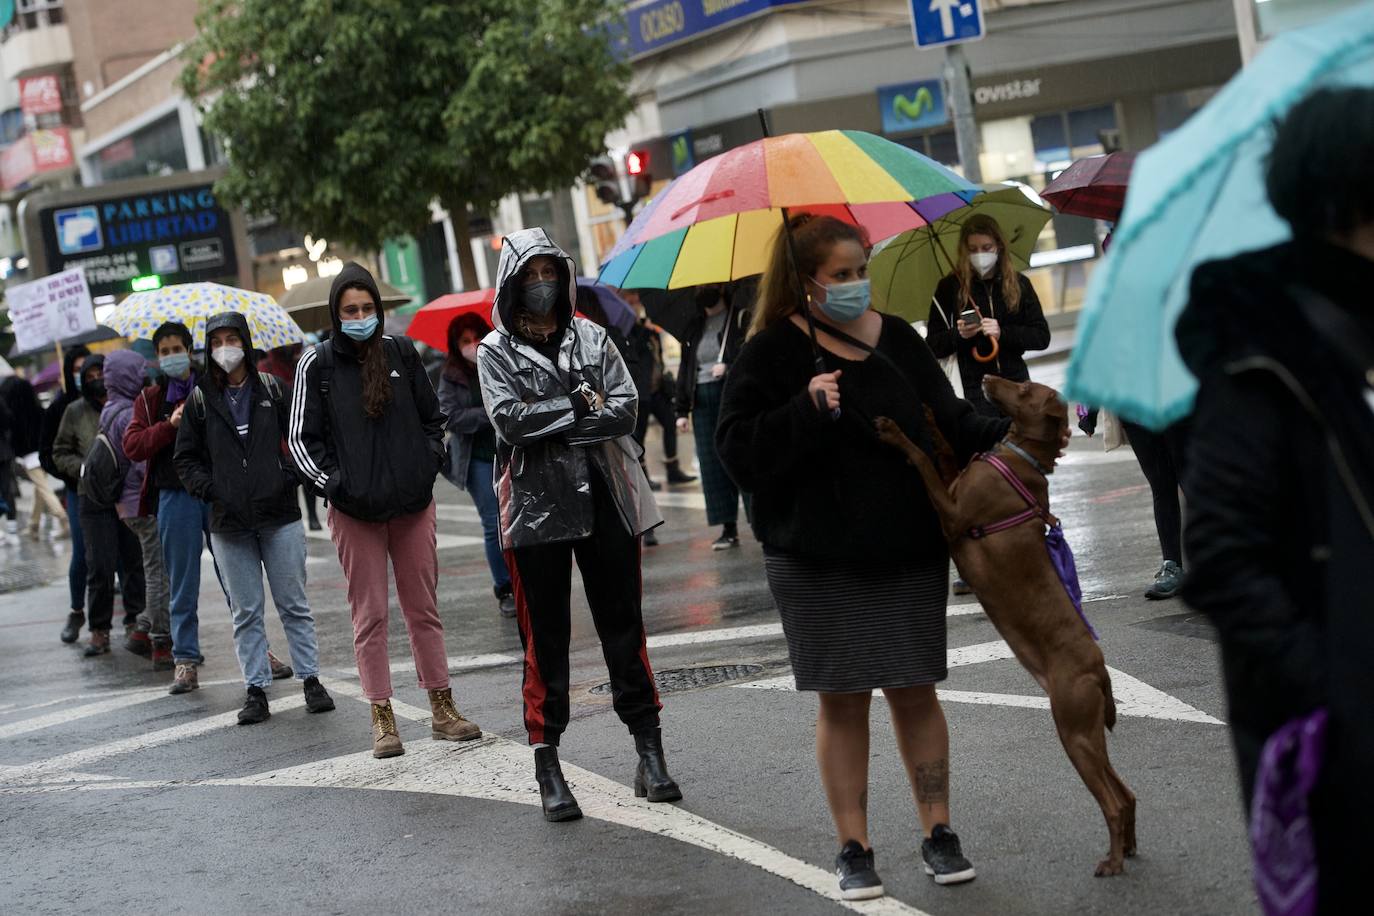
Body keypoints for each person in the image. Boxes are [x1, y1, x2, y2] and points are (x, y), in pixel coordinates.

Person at [717, 214, 1009, 899]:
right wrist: (804, 409)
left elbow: (952, 421)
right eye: (840, 276)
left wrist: (1019, 430)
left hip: (907, 546)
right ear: (805, 282)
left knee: (914, 689)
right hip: (815, 556)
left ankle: (939, 831)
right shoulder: (768, 354)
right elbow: (737, 452)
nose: (855, 286)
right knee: (843, 700)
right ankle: (854, 846)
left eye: (860, 271)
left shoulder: (899, 339)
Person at [1176, 86, 1374, 914]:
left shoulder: (1356, 336)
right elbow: (1220, 559)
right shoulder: (1261, 360)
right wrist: (1339, 694)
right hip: (1339, 754)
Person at [476, 228, 677, 823]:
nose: (541, 284)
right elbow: (510, 423)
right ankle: (548, 765)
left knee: (624, 629)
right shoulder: (494, 351)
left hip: (608, 503)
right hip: (535, 513)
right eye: (530, 275)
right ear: (513, 283)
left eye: (549, 272)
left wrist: (569, 416)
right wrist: (579, 408)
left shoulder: (593, 335)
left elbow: (625, 407)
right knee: (546, 642)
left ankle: (650, 751)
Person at [290, 263, 480, 757]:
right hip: (355, 513)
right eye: (349, 310)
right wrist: (335, 485)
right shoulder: (319, 364)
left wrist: (427, 464)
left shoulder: (401, 352)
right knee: (369, 616)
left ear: (378, 309)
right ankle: (382, 717)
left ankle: (443, 707)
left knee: (425, 610)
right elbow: (298, 441)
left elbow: (432, 420)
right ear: (336, 313)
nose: (359, 317)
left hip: (412, 505)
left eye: (367, 308)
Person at [174, 312, 334, 724]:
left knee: (293, 604)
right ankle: (256, 689)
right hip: (228, 524)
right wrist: (210, 489)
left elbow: (303, 435)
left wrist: (289, 476)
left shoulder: (272, 389)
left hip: (279, 514)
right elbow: (185, 458)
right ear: (208, 349)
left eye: (232, 338)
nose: (225, 348)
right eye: (217, 341)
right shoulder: (199, 399)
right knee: (245, 612)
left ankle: (311, 680)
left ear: (246, 342)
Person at [126, 321, 225, 681]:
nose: (171, 357)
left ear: (189, 349)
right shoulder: (150, 399)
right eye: (164, 351)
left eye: (176, 349)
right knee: (182, 581)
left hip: (216, 492)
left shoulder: (213, 384)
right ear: (157, 357)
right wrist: (169, 425)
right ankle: (185, 658)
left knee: (235, 576)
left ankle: (260, 648)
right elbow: (133, 446)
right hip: (174, 495)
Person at [57, 352, 147, 658]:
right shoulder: (75, 411)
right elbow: (59, 452)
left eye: (101, 373)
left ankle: (137, 620)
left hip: (125, 493)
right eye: (90, 374)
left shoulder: (132, 405)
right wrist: (84, 467)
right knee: (100, 564)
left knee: (133, 559)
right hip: (92, 495)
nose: (97, 379)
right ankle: (99, 630)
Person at [926, 214, 1050, 417]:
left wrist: (1003, 333)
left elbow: (1041, 337)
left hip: (1016, 386)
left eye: (986, 248)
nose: (980, 254)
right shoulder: (949, 288)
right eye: (972, 249)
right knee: (990, 448)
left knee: (1021, 446)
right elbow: (932, 345)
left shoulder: (1019, 284)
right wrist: (959, 335)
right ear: (964, 250)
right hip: (974, 391)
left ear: (999, 246)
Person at [438, 312, 516, 618]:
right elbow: (450, 416)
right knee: (492, 523)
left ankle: (523, 581)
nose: (473, 345)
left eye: (477, 338)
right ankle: (504, 588)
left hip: (510, 453)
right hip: (476, 459)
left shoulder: (502, 363)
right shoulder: (451, 375)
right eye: (465, 341)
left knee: (517, 521)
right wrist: (490, 414)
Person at [99, 348, 173, 665]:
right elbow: (140, 461)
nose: (143, 378)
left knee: (155, 569)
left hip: (124, 507)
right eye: (138, 373)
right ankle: (158, 639)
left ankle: (145, 627)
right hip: (141, 504)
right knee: (159, 574)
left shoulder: (109, 409)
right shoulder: (129, 412)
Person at [675, 281, 753, 549]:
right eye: (698, 287)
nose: (702, 290)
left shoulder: (740, 318)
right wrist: (681, 410)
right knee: (712, 464)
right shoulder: (694, 328)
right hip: (702, 399)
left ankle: (757, 519)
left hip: (731, 394)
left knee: (743, 455)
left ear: (722, 288)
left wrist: (729, 365)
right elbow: (686, 369)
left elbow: (751, 356)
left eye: (708, 286)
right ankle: (728, 528)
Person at [620, 291, 695, 501]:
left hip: (658, 390)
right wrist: (641, 327)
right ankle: (644, 476)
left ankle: (673, 467)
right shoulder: (628, 333)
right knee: (639, 436)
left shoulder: (650, 332)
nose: (636, 307)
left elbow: (656, 358)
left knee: (670, 423)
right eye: (632, 303)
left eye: (636, 302)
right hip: (641, 392)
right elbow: (634, 354)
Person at [41, 345, 92, 642]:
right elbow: (49, 453)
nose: (83, 375)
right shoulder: (60, 408)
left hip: (111, 492)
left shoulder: (105, 400)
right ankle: (76, 610)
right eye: (77, 369)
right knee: (82, 553)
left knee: (126, 555)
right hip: (78, 490)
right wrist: (75, 473)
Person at [258, 342, 321, 531]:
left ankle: (313, 516)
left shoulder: (299, 362)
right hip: (280, 437)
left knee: (308, 477)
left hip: (301, 430)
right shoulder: (266, 367)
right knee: (289, 481)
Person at [0, 374, 67, 540]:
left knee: (43, 488)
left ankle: (62, 518)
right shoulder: (37, 410)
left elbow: (13, 436)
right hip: (42, 452)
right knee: (40, 489)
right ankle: (33, 525)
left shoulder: (13, 415)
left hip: (29, 456)